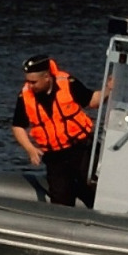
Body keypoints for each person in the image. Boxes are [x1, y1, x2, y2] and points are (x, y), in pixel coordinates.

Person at [11, 54, 101, 207]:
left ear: (47, 77)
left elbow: (91, 100)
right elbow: (18, 126)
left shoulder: (68, 83)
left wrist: (107, 90)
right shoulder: (25, 96)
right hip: (54, 157)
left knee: (92, 188)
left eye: (34, 82)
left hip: (81, 148)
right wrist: (30, 149)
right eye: (28, 81)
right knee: (60, 198)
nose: (30, 85)